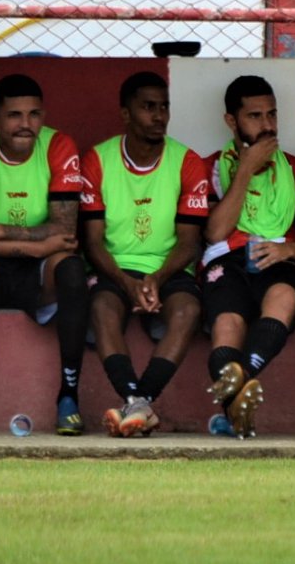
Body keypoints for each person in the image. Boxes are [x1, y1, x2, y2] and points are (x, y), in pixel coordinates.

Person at [0, 73, 88, 435]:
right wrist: (39, 243)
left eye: (34, 114)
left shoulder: (59, 145)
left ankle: (69, 396)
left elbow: (66, 232)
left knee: (71, 271)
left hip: (39, 269)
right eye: (14, 115)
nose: (26, 125)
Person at [80, 71, 211, 438]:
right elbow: (93, 241)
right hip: (114, 267)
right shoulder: (97, 160)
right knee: (103, 307)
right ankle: (136, 401)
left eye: (164, 107)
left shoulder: (187, 161)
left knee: (188, 309)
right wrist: (126, 281)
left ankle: (139, 400)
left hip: (167, 269)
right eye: (148, 107)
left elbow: (188, 242)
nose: (159, 116)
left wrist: (156, 279)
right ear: (125, 113)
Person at [200, 74, 295, 437]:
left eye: (272, 115)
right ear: (231, 122)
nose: (267, 126)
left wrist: (289, 249)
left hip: (280, 260)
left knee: (282, 298)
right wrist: (246, 169)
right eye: (255, 116)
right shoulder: (212, 167)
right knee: (226, 326)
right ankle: (239, 406)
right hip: (228, 261)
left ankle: (238, 386)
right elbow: (215, 232)